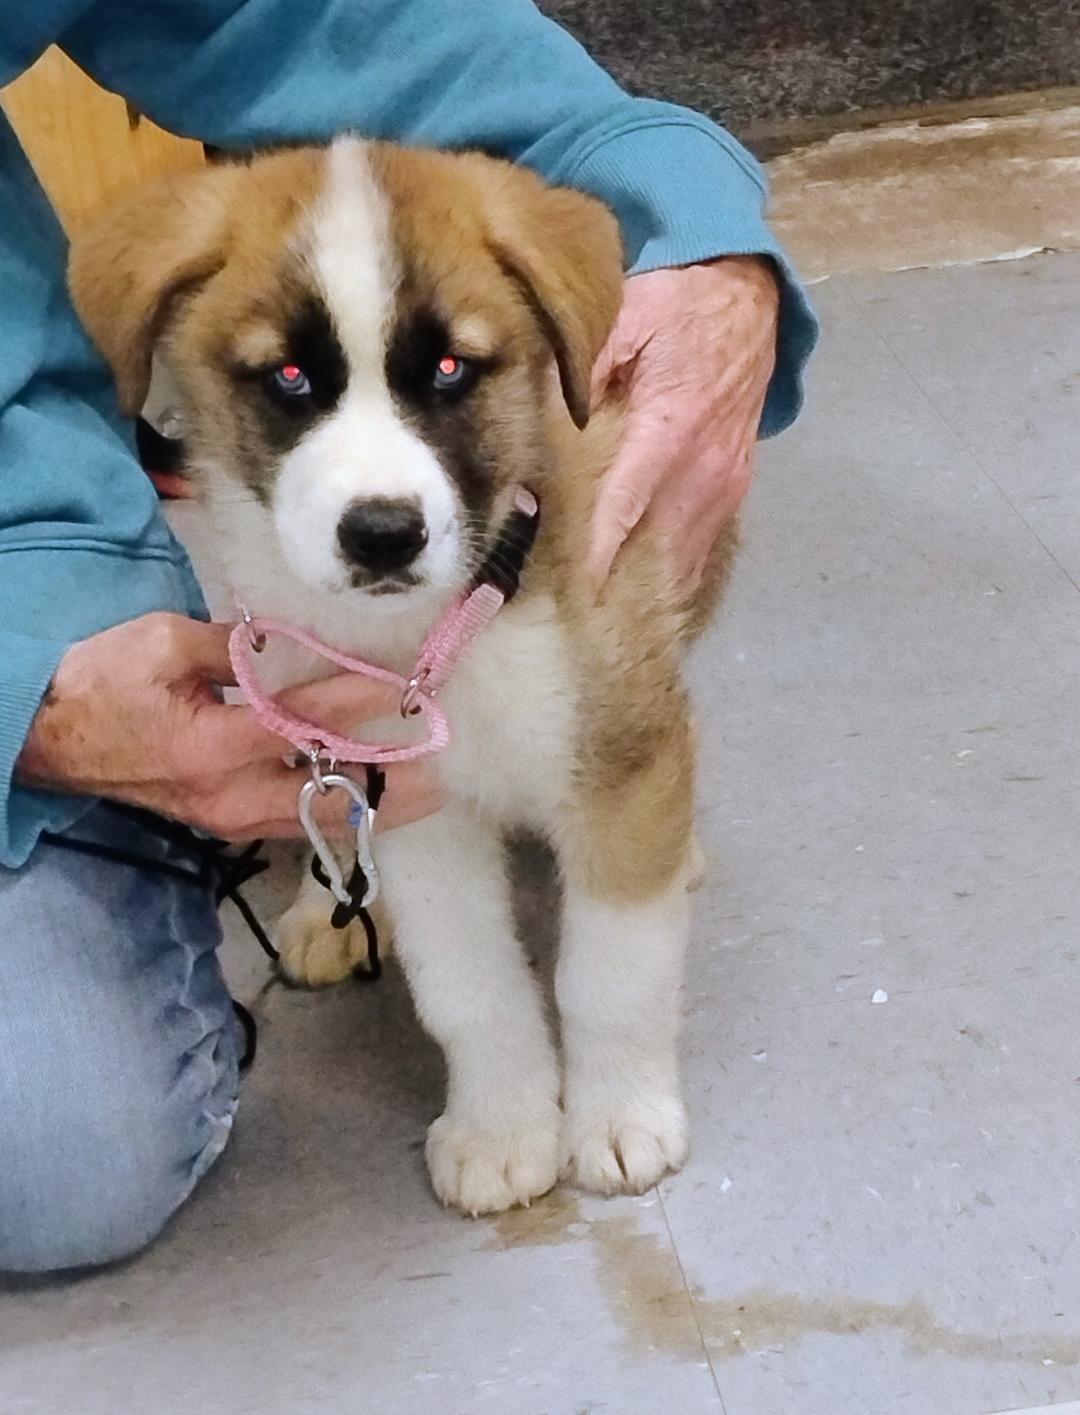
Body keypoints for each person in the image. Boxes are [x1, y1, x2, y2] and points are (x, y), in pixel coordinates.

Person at [0, 0, 816, 1274]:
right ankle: (462, 1023)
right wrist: (494, 1075)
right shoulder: (266, 533)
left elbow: (311, 15)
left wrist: (679, 192)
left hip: (528, 624)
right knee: (406, 801)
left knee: (578, 772)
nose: (380, 488)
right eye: (287, 381)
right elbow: (410, 805)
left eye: (450, 377)